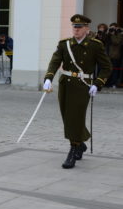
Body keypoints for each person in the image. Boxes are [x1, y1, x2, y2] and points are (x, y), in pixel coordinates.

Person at [43, 14, 112, 169]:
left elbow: (107, 67)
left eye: (80, 27)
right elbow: (55, 62)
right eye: (74, 27)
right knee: (67, 117)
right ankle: (81, 143)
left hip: (83, 85)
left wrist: (98, 83)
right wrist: (48, 78)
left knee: (75, 117)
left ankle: (73, 149)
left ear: (87, 29)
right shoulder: (64, 44)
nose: (76, 30)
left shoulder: (95, 45)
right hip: (65, 84)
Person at [106, 23, 122, 88]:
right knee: (108, 70)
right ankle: (107, 83)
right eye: (111, 28)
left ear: (116, 28)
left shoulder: (119, 35)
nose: (112, 30)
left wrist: (113, 34)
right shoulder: (108, 34)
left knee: (114, 70)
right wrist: (107, 33)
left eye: (113, 28)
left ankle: (113, 83)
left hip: (115, 56)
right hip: (108, 55)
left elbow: (116, 42)